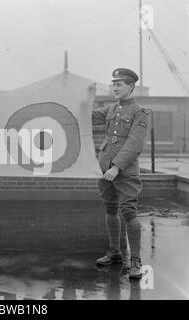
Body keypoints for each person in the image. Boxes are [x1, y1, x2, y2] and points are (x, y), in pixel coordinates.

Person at [92, 68, 150, 279]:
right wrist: (79, 98)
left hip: (123, 171)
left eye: (119, 84)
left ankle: (135, 260)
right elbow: (86, 116)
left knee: (128, 212)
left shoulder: (140, 111)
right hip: (105, 169)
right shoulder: (111, 108)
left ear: (131, 86)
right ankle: (115, 252)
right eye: (113, 83)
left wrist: (116, 167)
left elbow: (135, 143)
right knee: (110, 209)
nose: (115, 87)